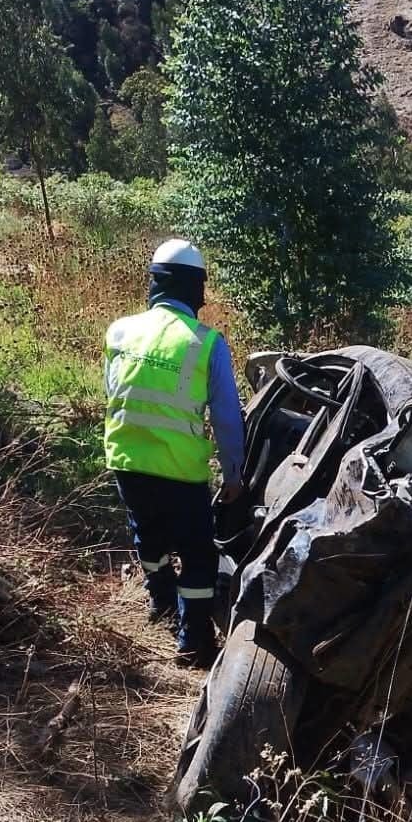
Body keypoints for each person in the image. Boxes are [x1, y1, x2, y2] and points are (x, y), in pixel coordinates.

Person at [103, 239, 245, 667]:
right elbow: (226, 418)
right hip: (180, 471)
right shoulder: (207, 343)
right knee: (199, 555)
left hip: (127, 462)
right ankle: (193, 641)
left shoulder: (120, 331)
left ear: (155, 282)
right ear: (196, 288)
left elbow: (115, 392)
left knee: (148, 534)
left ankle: (161, 602)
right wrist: (233, 475)